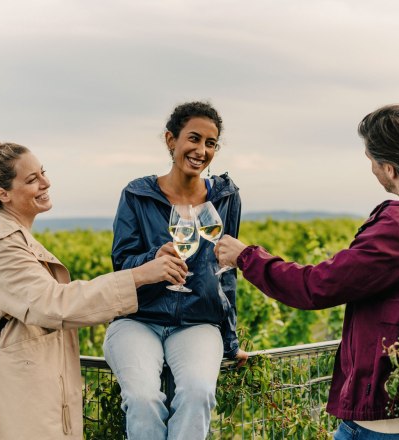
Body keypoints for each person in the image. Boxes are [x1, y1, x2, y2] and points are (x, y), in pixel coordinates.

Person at [215, 104, 399, 440]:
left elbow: (316, 286)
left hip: (383, 414)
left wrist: (246, 257)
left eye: (371, 161)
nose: (372, 170)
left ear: (390, 168)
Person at [0, 137, 187, 439]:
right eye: (32, 179)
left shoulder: (13, 238)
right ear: (4, 194)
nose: (45, 182)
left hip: (30, 388)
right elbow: (54, 304)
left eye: (43, 172)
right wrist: (138, 276)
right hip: (19, 396)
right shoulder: (2, 248)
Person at [104, 101, 248, 440]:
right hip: (138, 319)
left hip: (198, 321)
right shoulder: (137, 194)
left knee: (199, 394)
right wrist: (154, 261)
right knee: (142, 399)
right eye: (194, 139)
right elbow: (122, 264)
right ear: (171, 139)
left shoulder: (227, 197)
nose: (201, 150)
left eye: (210, 143)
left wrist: (230, 341)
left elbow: (226, 274)